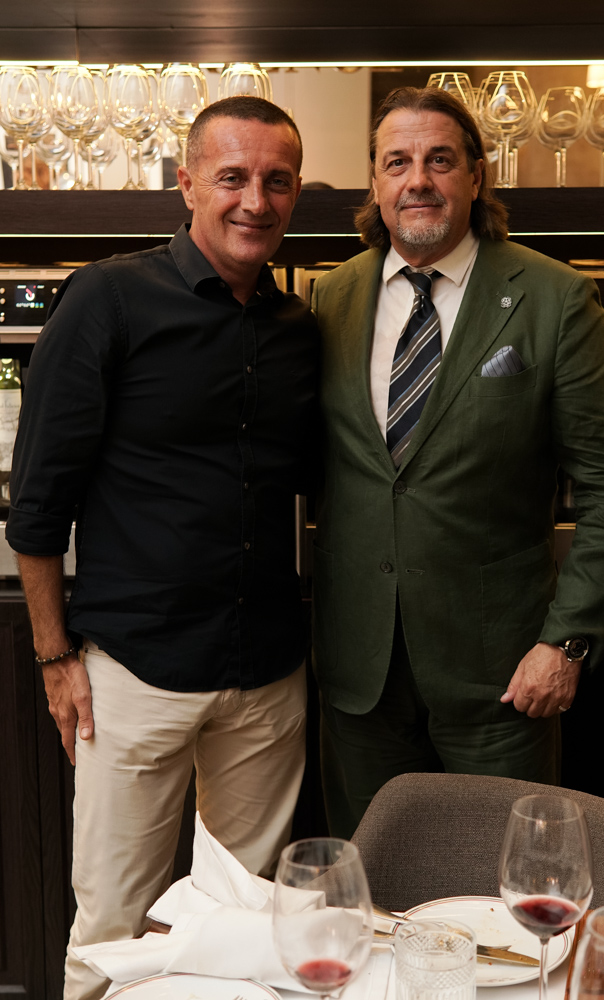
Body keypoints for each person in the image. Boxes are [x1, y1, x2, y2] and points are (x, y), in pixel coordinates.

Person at [6, 96, 318, 1000]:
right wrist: (53, 656)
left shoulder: (298, 328)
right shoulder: (108, 298)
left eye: (276, 181)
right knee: (112, 931)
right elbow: (40, 500)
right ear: (185, 184)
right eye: (232, 177)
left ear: (295, 193)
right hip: (135, 674)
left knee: (246, 926)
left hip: (266, 678)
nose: (254, 200)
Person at [310, 86, 604, 839]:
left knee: (502, 889)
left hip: (502, 678)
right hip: (358, 679)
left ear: (476, 175)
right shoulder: (330, 298)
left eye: (439, 160)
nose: (418, 180)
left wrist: (565, 642)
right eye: (396, 162)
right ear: (375, 182)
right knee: (370, 888)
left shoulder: (553, 298)